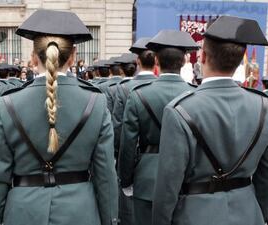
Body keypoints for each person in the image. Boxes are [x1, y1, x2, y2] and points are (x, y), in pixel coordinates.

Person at [0, 9, 119, 225]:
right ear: (74, 56)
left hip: (23, 211)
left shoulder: (8, 103)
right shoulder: (95, 101)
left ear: (33, 56)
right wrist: (110, 218)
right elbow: (105, 174)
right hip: (79, 211)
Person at [152, 16, 268, 225]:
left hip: (195, 215)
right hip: (248, 213)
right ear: (241, 59)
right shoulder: (263, 106)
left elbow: (168, 187)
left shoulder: (180, 110)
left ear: (202, 56)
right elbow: (265, 178)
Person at [119, 30, 199, 225]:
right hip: (187, 178)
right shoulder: (196, 95)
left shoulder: (139, 95)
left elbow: (128, 144)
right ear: (184, 61)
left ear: (156, 61)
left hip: (148, 178)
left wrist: (126, 179)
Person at [112, 38, 157, 225]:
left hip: (141, 166)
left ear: (137, 61)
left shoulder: (123, 89)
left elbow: (121, 134)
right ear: (155, 62)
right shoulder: (183, 90)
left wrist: (124, 176)